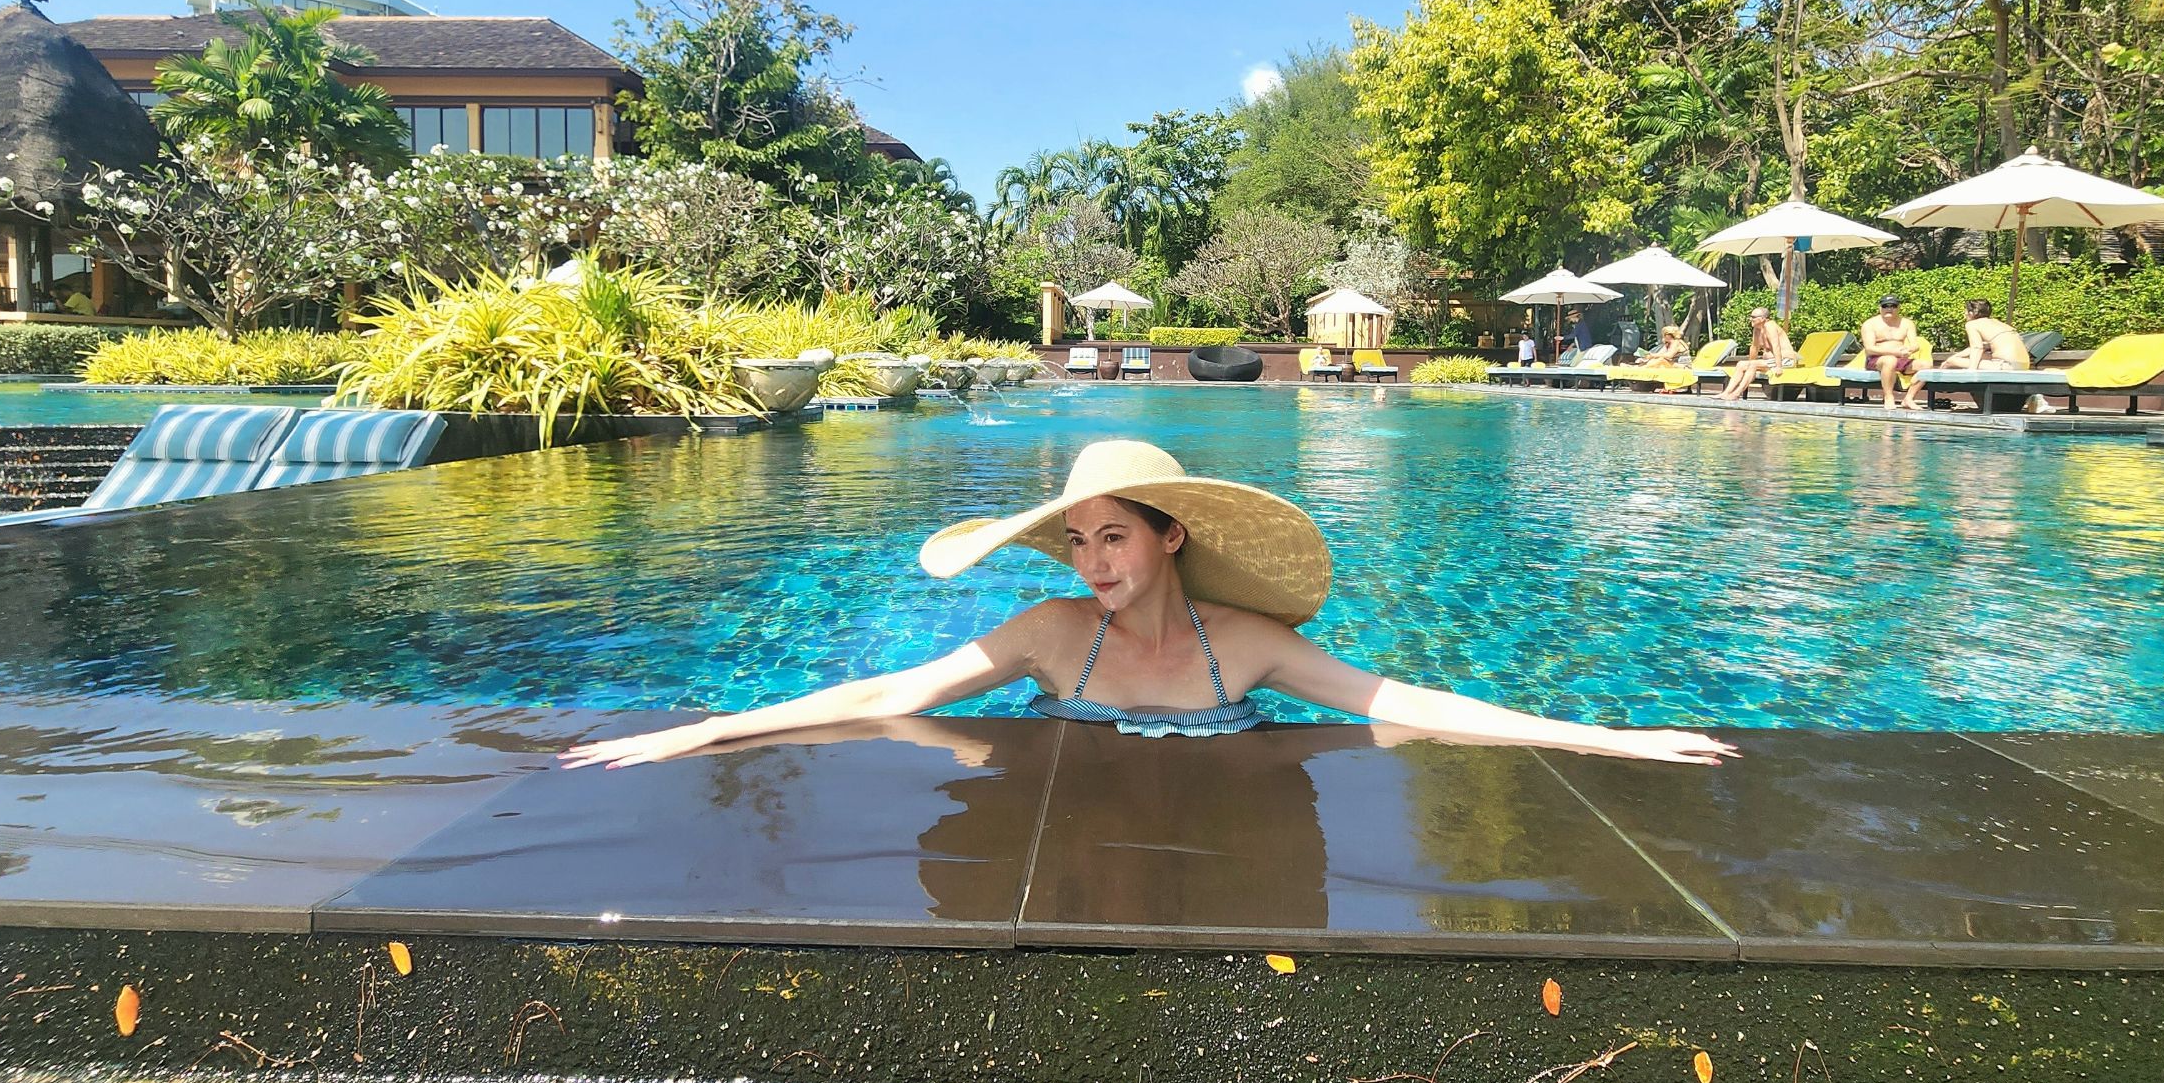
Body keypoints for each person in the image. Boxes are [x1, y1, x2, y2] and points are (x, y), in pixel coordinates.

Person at [562, 440, 1737, 771]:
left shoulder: (1245, 648)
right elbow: (891, 693)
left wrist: (1597, 735)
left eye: (1112, 537)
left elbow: (1403, 700)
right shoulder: (1047, 637)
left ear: (1169, 537)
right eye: (1077, 542)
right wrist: (703, 730)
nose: (1090, 563)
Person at [1858, 293, 1923, 411]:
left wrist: (1909, 350)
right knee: (1890, 360)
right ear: (1880, 308)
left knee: (1926, 365)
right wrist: (1895, 352)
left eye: (1893, 306)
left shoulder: (1907, 323)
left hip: (1900, 358)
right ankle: (1888, 396)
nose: (1889, 309)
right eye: (1885, 306)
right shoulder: (1870, 324)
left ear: (1898, 307)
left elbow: (1915, 345)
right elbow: (1870, 349)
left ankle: (1908, 398)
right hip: (1877, 359)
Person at [1719, 306, 1799, 401]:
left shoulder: (1770, 326)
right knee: (1741, 364)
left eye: (1753, 317)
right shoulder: (1757, 329)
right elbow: (1754, 347)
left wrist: (1779, 366)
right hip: (1772, 361)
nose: (1750, 319)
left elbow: (1776, 346)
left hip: (1785, 360)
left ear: (1763, 318)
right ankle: (1726, 393)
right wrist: (1749, 363)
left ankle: (1737, 393)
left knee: (1753, 365)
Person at [1937, 299, 2029, 371]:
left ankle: (1941, 386)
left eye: (1966, 311)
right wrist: (1956, 356)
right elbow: (1981, 347)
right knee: (1961, 358)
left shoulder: (1972, 324)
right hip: (2023, 365)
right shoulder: (1997, 323)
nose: (1964, 313)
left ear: (1971, 313)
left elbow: (1977, 348)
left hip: (2006, 365)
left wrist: (1971, 370)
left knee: (1952, 362)